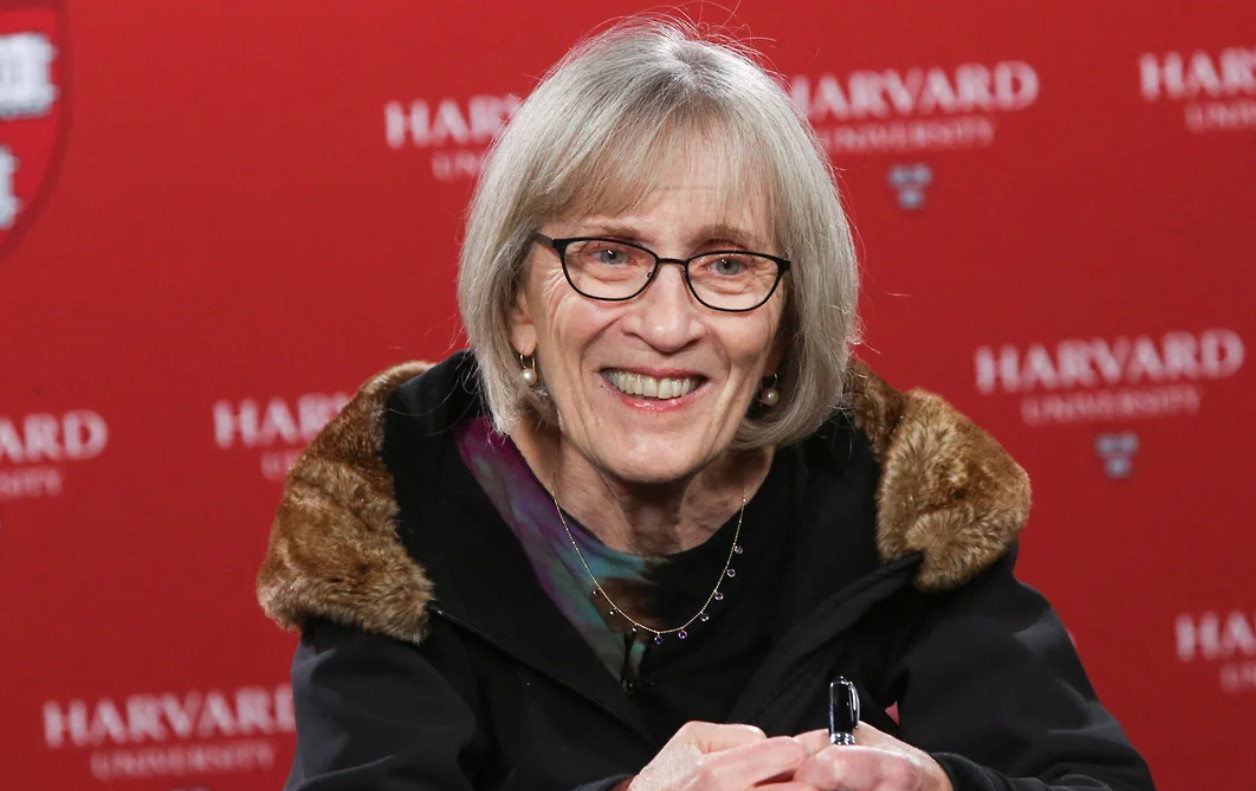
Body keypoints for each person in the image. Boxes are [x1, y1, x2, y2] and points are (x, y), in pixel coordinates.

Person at [256, 18, 1156, 791]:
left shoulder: (893, 492)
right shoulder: (398, 509)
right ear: (518, 304)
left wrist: (944, 787)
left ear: (786, 323)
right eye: (610, 254)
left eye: (728, 264)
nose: (667, 323)